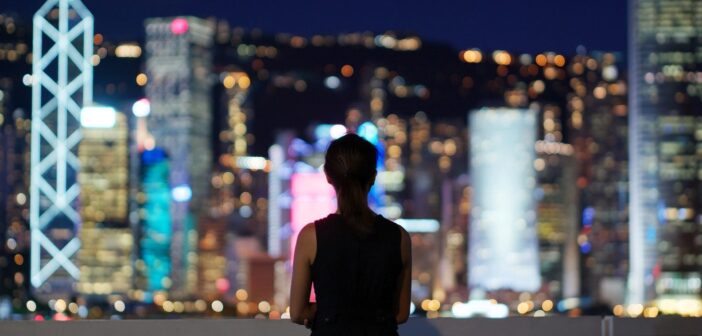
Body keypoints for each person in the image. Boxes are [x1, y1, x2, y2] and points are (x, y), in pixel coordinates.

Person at [290, 133, 412, 336]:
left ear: (328, 176)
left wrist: (332, 311)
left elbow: (297, 313)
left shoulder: (311, 236)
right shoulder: (399, 237)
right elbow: (400, 314)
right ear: (373, 176)